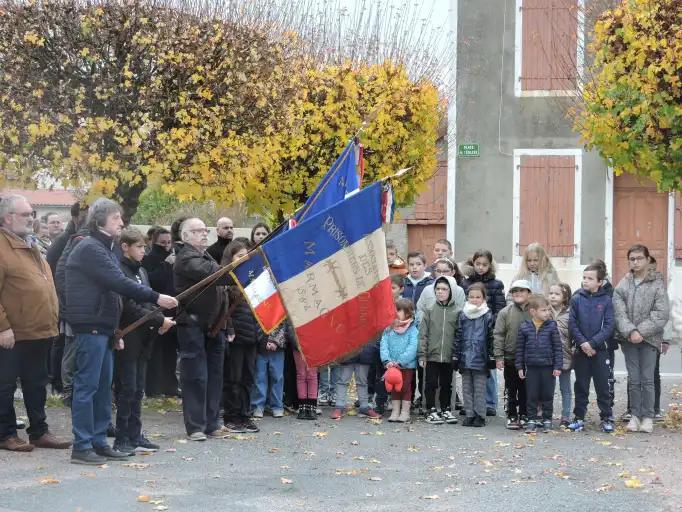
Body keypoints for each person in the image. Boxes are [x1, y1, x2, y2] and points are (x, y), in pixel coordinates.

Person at [65, 198, 178, 465]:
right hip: (89, 326)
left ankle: (99, 441)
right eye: (116, 218)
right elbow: (118, 282)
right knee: (87, 387)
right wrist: (155, 296)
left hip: (103, 327)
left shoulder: (106, 248)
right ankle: (81, 446)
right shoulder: (90, 248)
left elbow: (113, 289)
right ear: (100, 219)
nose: (121, 223)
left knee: (103, 388)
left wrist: (115, 331)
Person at [0, 194, 71, 452]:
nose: (31, 218)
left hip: (39, 330)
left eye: (32, 213)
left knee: (36, 384)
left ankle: (39, 432)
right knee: (5, 386)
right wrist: (3, 327)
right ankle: (6, 434)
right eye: (25, 214)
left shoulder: (31, 245)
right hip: (12, 333)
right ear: (8, 218)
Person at [113, 228, 175, 455]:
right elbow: (128, 304)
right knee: (127, 388)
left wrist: (158, 319)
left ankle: (135, 433)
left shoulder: (141, 271)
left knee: (139, 388)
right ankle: (121, 437)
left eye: (143, 247)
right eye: (139, 247)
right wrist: (159, 318)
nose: (143, 252)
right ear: (125, 247)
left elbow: (148, 298)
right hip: (128, 335)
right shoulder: (120, 271)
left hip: (144, 335)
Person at [173, 217, 230, 441]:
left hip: (212, 325)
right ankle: (196, 426)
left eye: (205, 230)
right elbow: (213, 272)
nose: (204, 234)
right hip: (192, 324)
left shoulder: (203, 255)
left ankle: (212, 423)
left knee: (214, 374)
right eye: (197, 231)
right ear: (185, 236)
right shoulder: (186, 257)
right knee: (196, 376)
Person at [613, 245, 669, 434]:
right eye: (632, 259)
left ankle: (648, 417)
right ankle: (635, 415)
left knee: (647, 379)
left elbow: (661, 313)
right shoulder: (625, 282)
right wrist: (630, 330)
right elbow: (618, 309)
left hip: (649, 339)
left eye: (639, 258)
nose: (635, 262)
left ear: (647, 259)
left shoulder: (657, 283)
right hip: (629, 339)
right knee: (634, 379)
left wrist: (640, 332)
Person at [568, 264, 616, 433]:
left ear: (600, 282)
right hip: (582, 351)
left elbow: (609, 326)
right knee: (581, 385)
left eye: (590, 279)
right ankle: (579, 417)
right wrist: (583, 344)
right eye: (584, 278)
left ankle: (607, 417)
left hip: (600, 351)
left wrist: (593, 343)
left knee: (603, 385)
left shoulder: (606, 300)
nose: (585, 281)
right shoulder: (576, 299)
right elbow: (572, 324)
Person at [221, 240, 262, 433]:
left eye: (246, 256)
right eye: (239, 256)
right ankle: (231, 415)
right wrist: (230, 330)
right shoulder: (227, 280)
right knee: (233, 378)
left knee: (248, 378)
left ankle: (245, 415)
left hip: (251, 337)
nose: (243, 259)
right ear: (230, 258)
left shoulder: (252, 279)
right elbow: (224, 310)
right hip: (235, 337)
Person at [461, 249, 506, 417]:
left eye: (484, 264)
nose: (481, 267)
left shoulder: (496, 284)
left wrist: (488, 322)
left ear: (490, 265)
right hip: (469, 331)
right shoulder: (465, 283)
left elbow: (499, 308)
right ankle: (472, 405)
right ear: (473, 264)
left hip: (488, 330)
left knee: (488, 369)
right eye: (478, 264)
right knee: (470, 370)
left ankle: (490, 402)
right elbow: (463, 306)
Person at [516, 295, 563, 433]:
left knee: (547, 394)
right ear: (533, 312)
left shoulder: (552, 326)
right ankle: (531, 419)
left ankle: (547, 419)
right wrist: (519, 367)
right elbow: (519, 348)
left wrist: (557, 366)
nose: (547, 313)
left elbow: (557, 347)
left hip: (548, 367)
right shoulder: (524, 327)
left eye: (548, 310)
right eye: (543, 310)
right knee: (532, 395)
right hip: (531, 367)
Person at [142, 226, 179, 397]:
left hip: (172, 307)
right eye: (162, 243)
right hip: (155, 308)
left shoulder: (175, 256)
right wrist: (166, 265)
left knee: (170, 351)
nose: (166, 246)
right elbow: (151, 281)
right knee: (155, 351)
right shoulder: (149, 259)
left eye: (169, 242)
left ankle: (170, 386)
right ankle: (153, 388)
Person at [418, 275, 460, 425]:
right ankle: (430, 409)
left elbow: (458, 335)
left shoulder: (457, 311)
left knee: (446, 383)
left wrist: (456, 354)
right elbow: (423, 334)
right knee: (430, 383)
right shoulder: (429, 310)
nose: (440, 292)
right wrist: (422, 354)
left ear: (451, 291)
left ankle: (445, 408)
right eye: (438, 289)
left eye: (444, 289)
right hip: (432, 355)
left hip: (448, 355)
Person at [452, 283, 495, 427]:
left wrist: (492, 356)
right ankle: (469, 414)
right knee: (466, 389)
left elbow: (491, 338)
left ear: (484, 299)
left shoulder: (487, 315)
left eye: (478, 297)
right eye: (471, 297)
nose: (474, 299)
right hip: (465, 357)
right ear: (467, 298)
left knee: (479, 389)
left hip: (480, 359)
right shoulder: (463, 315)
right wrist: (455, 356)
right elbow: (457, 336)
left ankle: (480, 415)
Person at [494, 279, 532, 430]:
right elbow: (498, 334)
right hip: (510, 357)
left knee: (526, 388)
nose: (518, 293)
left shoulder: (534, 311)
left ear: (529, 293)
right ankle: (511, 414)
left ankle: (524, 414)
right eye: (515, 291)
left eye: (522, 290)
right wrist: (498, 356)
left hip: (529, 358)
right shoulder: (505, 312)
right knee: (511, 388)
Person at [380, 299, 419, 423]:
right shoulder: (389, 329)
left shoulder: (413, 330)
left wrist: (401, 361)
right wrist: (387, 360)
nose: (395, 313)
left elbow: (413, 347)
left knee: (405, 387)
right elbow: (383, 344)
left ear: (407, 313)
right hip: (391, 366)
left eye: (398, 310)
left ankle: (405, 412)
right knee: (394, 388)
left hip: (406, 366)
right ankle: (395, 411)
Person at [331, 338, 381, 420]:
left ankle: (364, 407)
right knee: (343, 381)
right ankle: (339, 406)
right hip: (347, 349)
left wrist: (372, 348)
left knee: (362, 382)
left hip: (365, 351)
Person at [251, 322, 291, 419]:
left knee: (277, 378)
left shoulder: (281, 308)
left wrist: (275, 341)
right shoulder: (258, 306)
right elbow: (255, 323)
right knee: (259, 377)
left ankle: (277, 406)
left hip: (278, 348)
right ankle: (258, 406)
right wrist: (264, 341)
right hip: (261, 346)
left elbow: (285, 325)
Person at [548, 283, 573, 427]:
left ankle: (565, 416)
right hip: (548, 356)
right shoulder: (544, 311)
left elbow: (573, 333)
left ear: (565, 297)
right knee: (547, 388)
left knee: (565, 388)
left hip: (565, 354)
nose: (552, 296)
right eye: (551, 293)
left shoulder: (570, 313)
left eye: (557, 294)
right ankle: (546, 414)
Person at [416, 257, 466, 324]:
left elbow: (461, 312)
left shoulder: (459, 291)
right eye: (438, 271)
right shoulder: (427, 290)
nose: (442, 274)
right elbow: (420, 309)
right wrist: (424, 323)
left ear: (453, 272)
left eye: (445, 271)